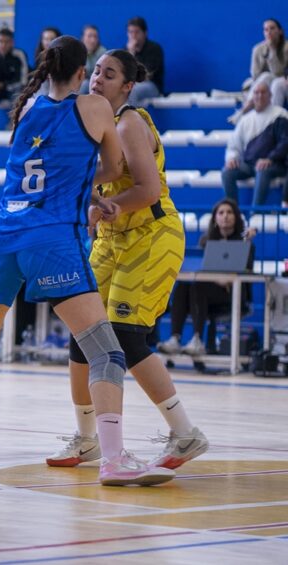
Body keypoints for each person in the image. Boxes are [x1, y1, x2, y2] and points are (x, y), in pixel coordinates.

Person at [0, 36, 175, 487]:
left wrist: (80, 187)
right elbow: (112, 165)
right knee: (105, 350)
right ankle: (112, 460)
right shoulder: (94, 108)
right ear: (83, 73)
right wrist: (100, 198)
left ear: (46, 69)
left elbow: (45, 170)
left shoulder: (25, 110)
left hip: (1, 235)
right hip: (50, 238)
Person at [46, 49, 208, 472]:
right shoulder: (92, 123)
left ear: (127, 85)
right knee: (83, 331)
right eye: (96, 70)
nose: (98, 78)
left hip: (152, 234)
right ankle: (86, 438)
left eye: (110, 73)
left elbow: (148, 189)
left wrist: (107, 203)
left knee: (125, 336)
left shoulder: (130, 121)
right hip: (113, 239)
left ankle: (185, 432)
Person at [159, 198, 255, 356]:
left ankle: (197, 339)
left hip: (232, 292)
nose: (225, 216)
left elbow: (247, 270)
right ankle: (175, 338)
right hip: (206, 290)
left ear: (236, 217)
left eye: (230, 212)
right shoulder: (206, 240)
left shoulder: (244, 241)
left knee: (198, 287)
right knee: (184, 285)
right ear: (215, 217)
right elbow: (200, 267)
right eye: (221, 212)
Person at [222, 81, 288, 208]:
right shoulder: (245, 119)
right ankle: (233, 211)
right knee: (227, 172)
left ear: (270, 95)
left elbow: (285, 142)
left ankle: (256, 213)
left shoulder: (281, 115)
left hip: (275, 164)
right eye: (256, 93)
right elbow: (234, 144)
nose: (259, 96)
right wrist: (231, 158)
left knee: (262, 170)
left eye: (263, 92)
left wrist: (270, 158)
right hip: (249, 164)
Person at [231, 19, 288, 123]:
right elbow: (255, 75)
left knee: (277, 84)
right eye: (266, 30)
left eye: (272, 28)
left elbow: (278, 71)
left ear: (280, 31)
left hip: (284, 82)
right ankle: (244, 110)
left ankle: (273, 121)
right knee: (266, 77)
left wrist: (272, 53)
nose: (269, 32)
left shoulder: (286, 48)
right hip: (267, 81)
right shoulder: (258, 48)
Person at [125, 17, 164, 106]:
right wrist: (130, 52)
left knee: (132, 91)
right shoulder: (125, 50)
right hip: (133, 84)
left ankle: (130, 119)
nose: (133, 35)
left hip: (152, 86)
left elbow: (147, 76)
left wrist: (131, 54)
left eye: (137, 32)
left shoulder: (154, 49)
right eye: (131, 32)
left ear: (145, 33)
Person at [33, 27, 61, 98]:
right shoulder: (39, 56)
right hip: (44, 89)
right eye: (46, 39)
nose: (49, 42)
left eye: (52, 39)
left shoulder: (63, 57)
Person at [80, 25, 107, 94]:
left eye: (95, 37)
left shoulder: (103, 53)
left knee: (85, 84)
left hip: (98, 82)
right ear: (83, 38)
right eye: (89, 36)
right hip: (81, 82)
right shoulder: (77, 52)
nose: (93, 40)